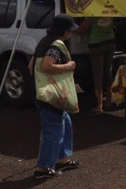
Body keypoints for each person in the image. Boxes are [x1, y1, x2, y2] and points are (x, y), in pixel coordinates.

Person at [32, 14, 80, 179]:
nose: (71, 33)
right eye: (70, 30)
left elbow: (32, 65)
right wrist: (68, 66)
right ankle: (43, 168)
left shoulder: (44, 42)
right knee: (53, 130)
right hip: (51, 95)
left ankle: (62, 158)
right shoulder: (56, 46)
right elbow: (46, 65)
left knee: (64, 123)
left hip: (41, 91)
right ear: (65, 31)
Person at [76, 16, 115, 114]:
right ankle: (109, 100)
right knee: (108, 71)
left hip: (96, 44)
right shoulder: (109, 9)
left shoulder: (91, 14)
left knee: (98, 74)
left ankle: (99, 105)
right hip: (110, 41)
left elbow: (81, 30)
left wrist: (72, 30)